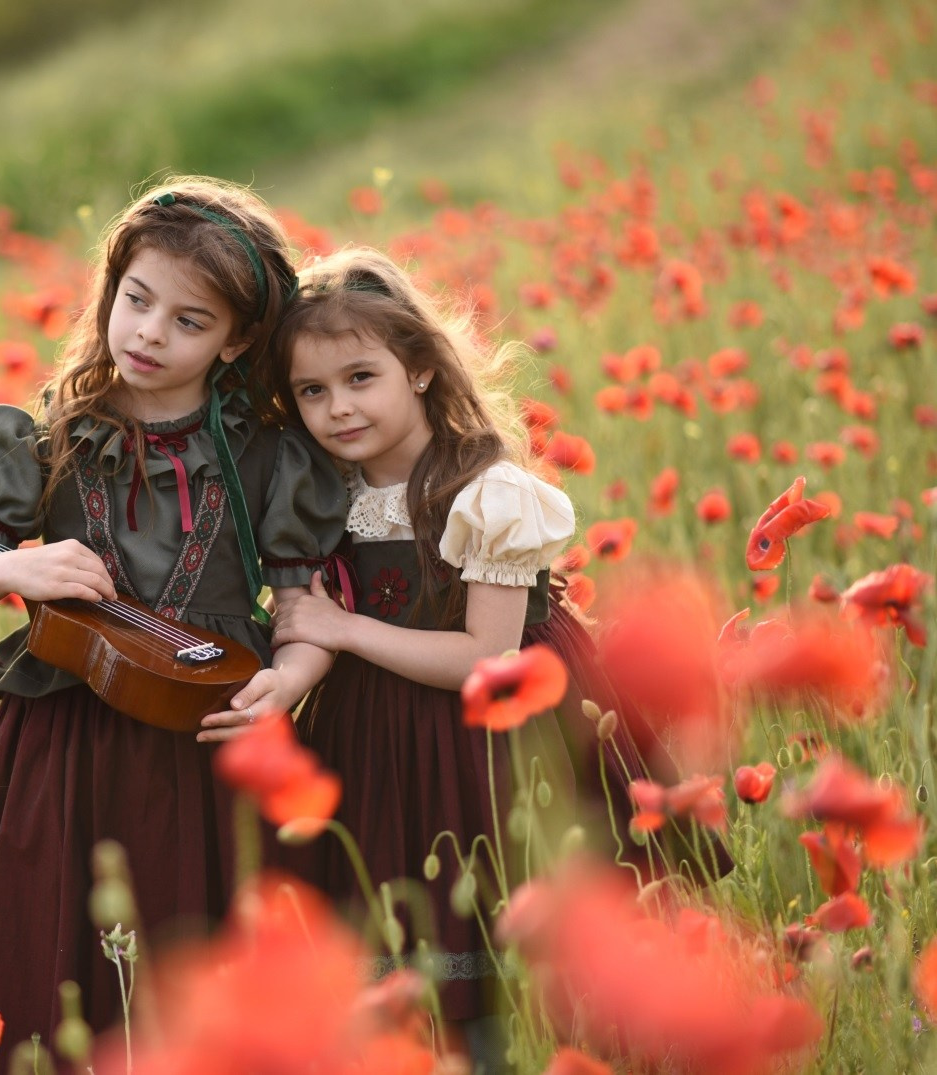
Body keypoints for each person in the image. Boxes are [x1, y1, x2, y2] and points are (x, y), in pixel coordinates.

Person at [0, 178, 348, 1073]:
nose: (149, 332)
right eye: (136, 301)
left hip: (207, 746)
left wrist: (289, 682)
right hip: (63, 751)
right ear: (111, 290)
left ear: (239, 340)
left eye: (189, 321)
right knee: (57, 970)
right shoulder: (44, 435)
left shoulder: (270, 454)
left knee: (191, 969)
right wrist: (11, 567)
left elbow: (304, 613)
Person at [238, 246, 661, 1073]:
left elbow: (486, 656)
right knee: (408, 930)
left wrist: (346, 629)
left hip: (495, 733)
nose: (337, 409)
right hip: (377, 738)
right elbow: (305, 619)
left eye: (361, 378)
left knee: (506, 917)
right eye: (312, 392)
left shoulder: (486, 493)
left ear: (422, 369)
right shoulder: (324, 492)